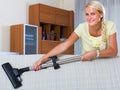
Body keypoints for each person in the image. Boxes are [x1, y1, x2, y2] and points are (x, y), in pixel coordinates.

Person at [33, 1, 118, 71]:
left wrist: (95, 53)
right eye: (87, 14)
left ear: (101, 14)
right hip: (88, 66)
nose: (89, 17)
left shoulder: (110, 25)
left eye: (92, 14)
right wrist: (42, 59)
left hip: (107, 65)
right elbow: (64, 45)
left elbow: (114, 51)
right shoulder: (82, 27)